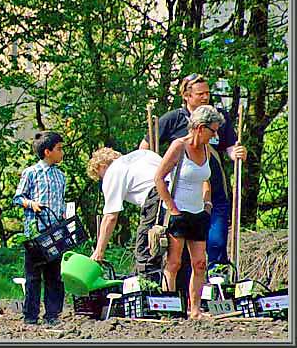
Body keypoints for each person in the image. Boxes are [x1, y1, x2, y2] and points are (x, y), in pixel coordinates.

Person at [139, 73, 247, 270]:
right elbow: (145, 147)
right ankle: (180, 295)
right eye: (200, 94)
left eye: (207, 93)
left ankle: (215, 290)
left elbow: (230, 147)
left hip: (214, 193)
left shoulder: (217, 119)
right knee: (178, 258)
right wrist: (158, 177)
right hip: (181, 197)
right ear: (187, 96)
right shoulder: (174, 119)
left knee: (216, 244)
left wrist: (237, 152)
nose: (205, 97)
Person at [154, 105, 225, 320]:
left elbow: (206, 179)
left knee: (200, 263)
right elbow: (159, 178)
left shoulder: (207, 150)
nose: (215, 135)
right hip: (179, 212)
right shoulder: (179, 146)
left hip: (198, 214)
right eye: (212, 130)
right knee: (174, 263)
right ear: (200, 128)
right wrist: (172, 208)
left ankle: (194, 309)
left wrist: (207, 203)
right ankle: (170, 308)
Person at [86, 147, 164, 282]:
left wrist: (99, 252)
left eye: (100, 176)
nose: (102, 179)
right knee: (175, 252)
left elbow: (110, 217)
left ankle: (150, 293)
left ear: (102, 166)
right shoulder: (144, 154)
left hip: (155, 199)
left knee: (145, 251)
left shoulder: (112, 172)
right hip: (178, 195)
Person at [13, 131, 66, 326]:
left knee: (54, 275)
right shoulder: (31, 173)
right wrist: (31, 204)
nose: (62, 153)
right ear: (47, 151)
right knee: (33, 275)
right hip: (35, 232)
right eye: (59, 149)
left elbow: (61, 203)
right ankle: (30, 315)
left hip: (55, 233)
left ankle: (52, 314)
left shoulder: (61, 176)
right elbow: (17, 198)